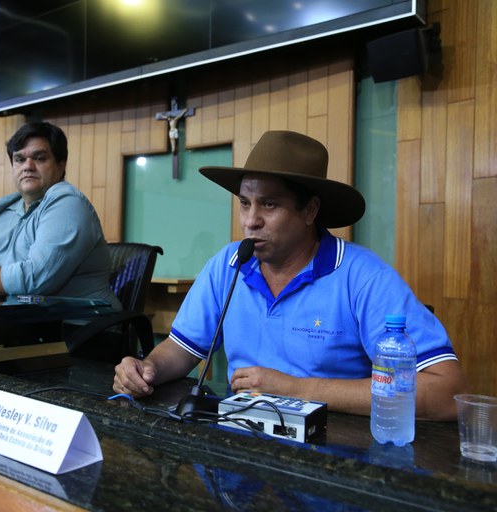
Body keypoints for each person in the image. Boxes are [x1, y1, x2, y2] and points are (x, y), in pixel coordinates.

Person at [114, 130, 468, 420]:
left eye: (269, 204)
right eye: (245, 203)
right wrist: (147, 369)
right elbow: (182, 348)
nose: (250, 221)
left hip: (332, 454)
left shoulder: (364, 277)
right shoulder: (230, 264)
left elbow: (446, 390)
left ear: (310, 210)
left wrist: (295, 389)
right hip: (237, 444)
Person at [0, 122, 121, 309]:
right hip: (16, 322)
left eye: (39, 158)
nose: (28, 166)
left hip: (80, 324)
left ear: (61, 165)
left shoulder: (68, 203)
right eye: (19, 159)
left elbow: (35, 279)